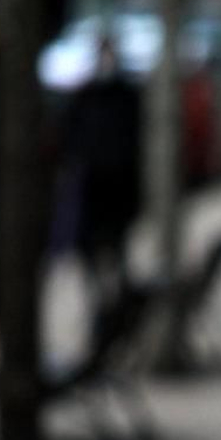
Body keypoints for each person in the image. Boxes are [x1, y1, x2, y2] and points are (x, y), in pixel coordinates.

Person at [62, 37, 143, 295]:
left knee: (118, 244)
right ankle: (98, 294)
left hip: (120, 182)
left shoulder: (126, 95)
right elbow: (70, 137)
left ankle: (118, 294)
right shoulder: (85, 96)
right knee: (91, 246)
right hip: (93, 183)